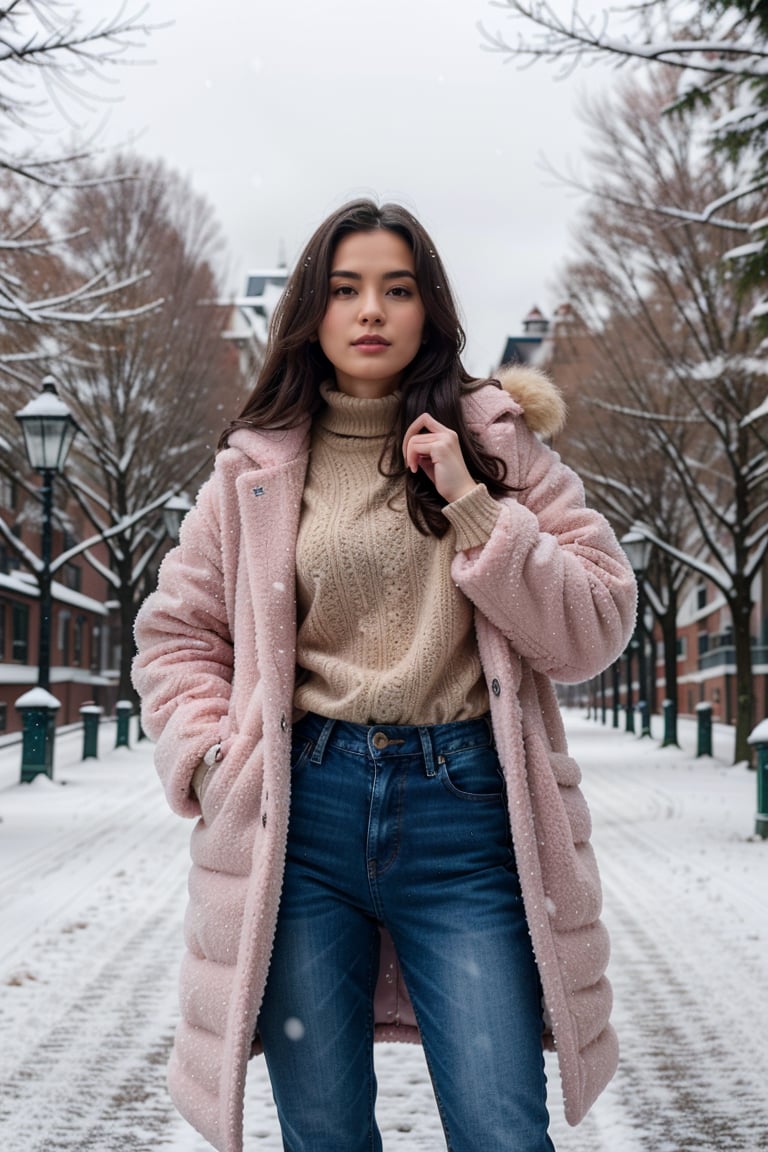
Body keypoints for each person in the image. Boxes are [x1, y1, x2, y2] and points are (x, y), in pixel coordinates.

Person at [132, 198, 636, 1152]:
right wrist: (209, 761)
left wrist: (474, 504)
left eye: (397, 290)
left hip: (468, 819)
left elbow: (596, 624)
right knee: (323, 1134)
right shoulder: (254, 470)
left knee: (499, 1126)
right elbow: (178, 635)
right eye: (345, 288)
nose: (371, 310)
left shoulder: (496, 445)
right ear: (311, 314)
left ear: (430, 310)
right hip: (300, 824)